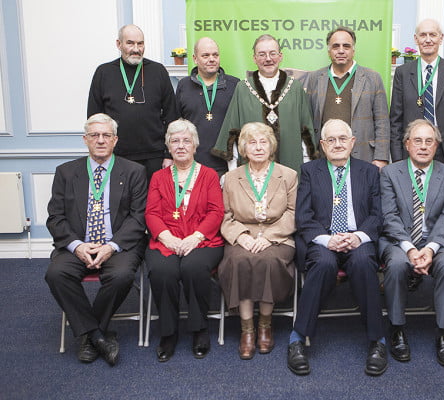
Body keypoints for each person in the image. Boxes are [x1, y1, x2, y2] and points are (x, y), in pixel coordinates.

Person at [45, 113, 147, 366]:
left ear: (115, 140)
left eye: (106, 136)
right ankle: (97, 335)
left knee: (122, 276)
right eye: (94, 135)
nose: (100, 140)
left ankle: (88, 334)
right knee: (56, 274)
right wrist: (77, 246)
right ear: (85, 140)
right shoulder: (66, 172)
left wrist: (111, 247)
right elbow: (55, 218)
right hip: (78, 244)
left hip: (117, 245)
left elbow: (138, 218)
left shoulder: (134, 171)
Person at [287, 119, 387, 377]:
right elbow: (303, 215)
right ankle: (297, 339)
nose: (338, 144)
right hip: (324, 239)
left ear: (353, 142)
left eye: (343, 138)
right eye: (331, 140)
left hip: (358, 239)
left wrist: (360, 236)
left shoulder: (369, 172)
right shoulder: (310, 170)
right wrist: (326, 239)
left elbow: (377, 215)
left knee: (364, 262)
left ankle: (378, 341)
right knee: (323, 263)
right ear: (322, 145)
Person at [379, 119, 444, 367]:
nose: (423, 147)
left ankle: (443, 331)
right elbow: (389, 217)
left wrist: (429, 249)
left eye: (429, 141)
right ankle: (397, 328)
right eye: (418, 141)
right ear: (407, 144)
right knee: (396, 266)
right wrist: (411, 249)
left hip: (437, 241)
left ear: (436, 146)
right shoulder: (390, 173)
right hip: (399, 240)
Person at [144, 119, 225, 362]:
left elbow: (216, 212)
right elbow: (151, 213)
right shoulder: (158, 177)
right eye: (175, 141)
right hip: (165, 239)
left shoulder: (209, 175)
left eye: (186, 141)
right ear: (168, 146)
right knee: (162, 271)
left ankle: (199, 329)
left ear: (195, 146)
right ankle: (168, 333)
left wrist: (195, 237)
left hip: (202, 239)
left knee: (193, 268)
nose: (181, 146)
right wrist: (167, 238)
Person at [218, 122, 297, 360]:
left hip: (278, 237)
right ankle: (247, 330)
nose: (259, 147)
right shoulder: (231, 178)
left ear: (271, 146)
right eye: (252, 143)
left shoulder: (289, 175)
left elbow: (293, 213)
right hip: (242, 237)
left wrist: (269, 237)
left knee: (268, 261)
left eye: (263, 142)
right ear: (243, 149)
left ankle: (264, 325)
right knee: (240, 261)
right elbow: (225, 216)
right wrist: (241, 236)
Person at [211, 34, 317, 173]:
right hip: (252, 172)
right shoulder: (243, 88)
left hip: (290, 169)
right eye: (262, 54)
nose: (268, 59)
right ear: (254, 58)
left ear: (280, 56)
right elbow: (233, 131)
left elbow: (306, 132)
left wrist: (306, 170)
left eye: (272, 53)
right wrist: (233, 171)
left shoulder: (295, 88)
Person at [88, 24, 177, 182]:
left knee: (153, 205)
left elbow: (172, 116)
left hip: (155, 157)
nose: (136, 49)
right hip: (116, 157)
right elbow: (94, 119)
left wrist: (169, 155)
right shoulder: (104, 73)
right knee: (121, 204)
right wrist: (99, 155)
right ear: (119, 44)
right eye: (130, 43)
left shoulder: (158, 71)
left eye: (140, 43)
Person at [389, 19, 444, 175]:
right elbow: (395, 119)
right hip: (412, 151)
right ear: (416, 39)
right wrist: (397, 159)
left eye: (433, 35)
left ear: (441, 38)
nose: (428, 40)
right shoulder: (403, 73)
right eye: (423, 35)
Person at [306, 26, 390, 168]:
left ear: (353, 50)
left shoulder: (372, 78)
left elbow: (382, 122)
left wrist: (381, 157)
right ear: (329, 51)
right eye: (335, 46)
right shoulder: (315, 78)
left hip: (363, 155)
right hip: (324, 156)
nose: (341, 50)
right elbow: (308, 120)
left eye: (346, 46)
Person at [176, 37, 239, 176]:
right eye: (205, 55)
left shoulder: (234, 85)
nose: (212, 59)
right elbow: (176, 124)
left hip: (226, 166)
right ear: (195, 58)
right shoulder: (183, 86)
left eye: (215, 55)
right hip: (192, 165)